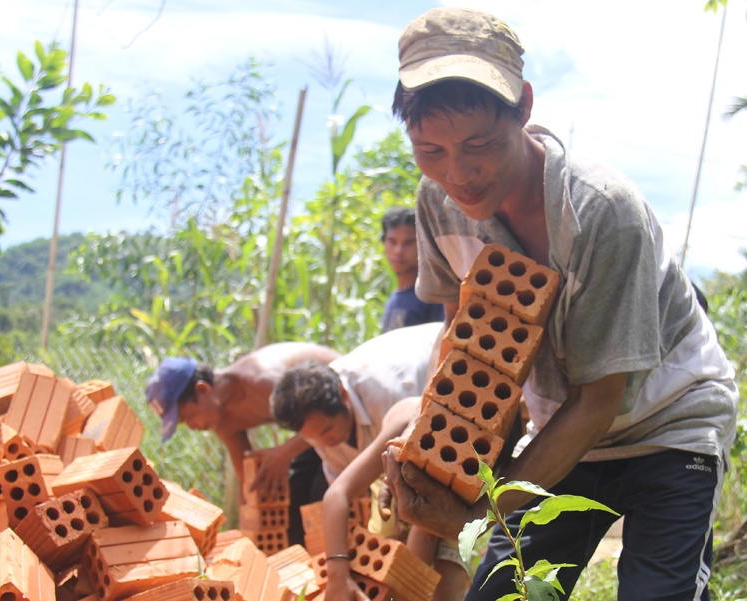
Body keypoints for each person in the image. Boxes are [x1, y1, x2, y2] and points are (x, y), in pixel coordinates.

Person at [380, 7, 738, 601]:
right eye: (430, 151)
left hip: (668, 422)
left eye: (480, 145)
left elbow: (600, 399)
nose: (458, 174)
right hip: (561, 433)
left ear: (523, 106)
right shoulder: (437, 204)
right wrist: (443, 450)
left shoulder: (600, 211)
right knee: (502, 594)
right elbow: (461, 347)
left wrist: (486, 513)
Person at [145, 342, 341, 546]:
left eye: (189, 417)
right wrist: (247, 536)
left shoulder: (259, 381)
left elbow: (323, 418)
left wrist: (282, 455)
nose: (193, 427)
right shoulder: (224, 422)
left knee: (323, 501)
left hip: (342, 409)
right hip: (319, 432)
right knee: (293, 511)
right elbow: (249, 483)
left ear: (202, 389)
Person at [320, 396, 470, 601]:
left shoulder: (454, 453)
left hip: (443, 514)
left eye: (326, 430)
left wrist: (407, 586)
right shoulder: (404, 421)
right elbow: (336, 494)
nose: (325, 441)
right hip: (395, 506)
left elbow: (427, 527)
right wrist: (337, 576)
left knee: (441, 582)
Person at [271, 322, 442, 485]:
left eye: (327, 430)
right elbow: (343, 485)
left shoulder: (387, 395)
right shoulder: (318, 430)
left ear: (343, 396)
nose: (324, 444)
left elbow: (420, 461)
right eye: (313, 439)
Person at [380, 206, 445, 332]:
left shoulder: (433, 296)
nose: (398, 251)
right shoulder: (396, 297)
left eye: (408, 243)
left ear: (423, 245)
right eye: (392, 242)